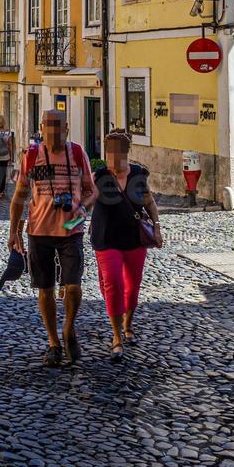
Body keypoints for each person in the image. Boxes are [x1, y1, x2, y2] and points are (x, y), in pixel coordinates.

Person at [8, 109, 97, 368]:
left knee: (73, 285)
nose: (54, 131)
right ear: (41, 127)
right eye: (49, 125)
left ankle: (68, 328)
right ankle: (53, 343)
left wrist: (83, 209)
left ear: (67, 127)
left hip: (71, 228)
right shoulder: (31, 156)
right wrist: (13, 233)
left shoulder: (78, 153)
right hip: (39, 230)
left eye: (58, 126)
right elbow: (19, 197)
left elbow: (93, 191)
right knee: (45, 288)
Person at [91, 130, 161, 364]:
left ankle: (128, 323)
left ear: (126, 153)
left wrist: (157, 228)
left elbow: (149, 201)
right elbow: (87, 198)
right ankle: (116, 336)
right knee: (113, 283)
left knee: (132, 288)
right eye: (109, 152)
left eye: (117, 153)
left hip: (134, 239)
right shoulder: (99, 176)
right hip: (106, 239)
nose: (112, 158)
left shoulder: (138, 174)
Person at [0, 116, 16, 201]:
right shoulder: (8, 133)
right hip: (5, 156)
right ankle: (2, 191)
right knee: (3, 173)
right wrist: (11, 156)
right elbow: (10, 145)